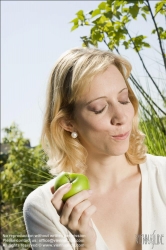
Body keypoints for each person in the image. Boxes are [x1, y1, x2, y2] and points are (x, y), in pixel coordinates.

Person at [23, 48, 166, 250]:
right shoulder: (44, 207)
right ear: (68, 123)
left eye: (124, 99)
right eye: (99, 108)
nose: (121, 117)